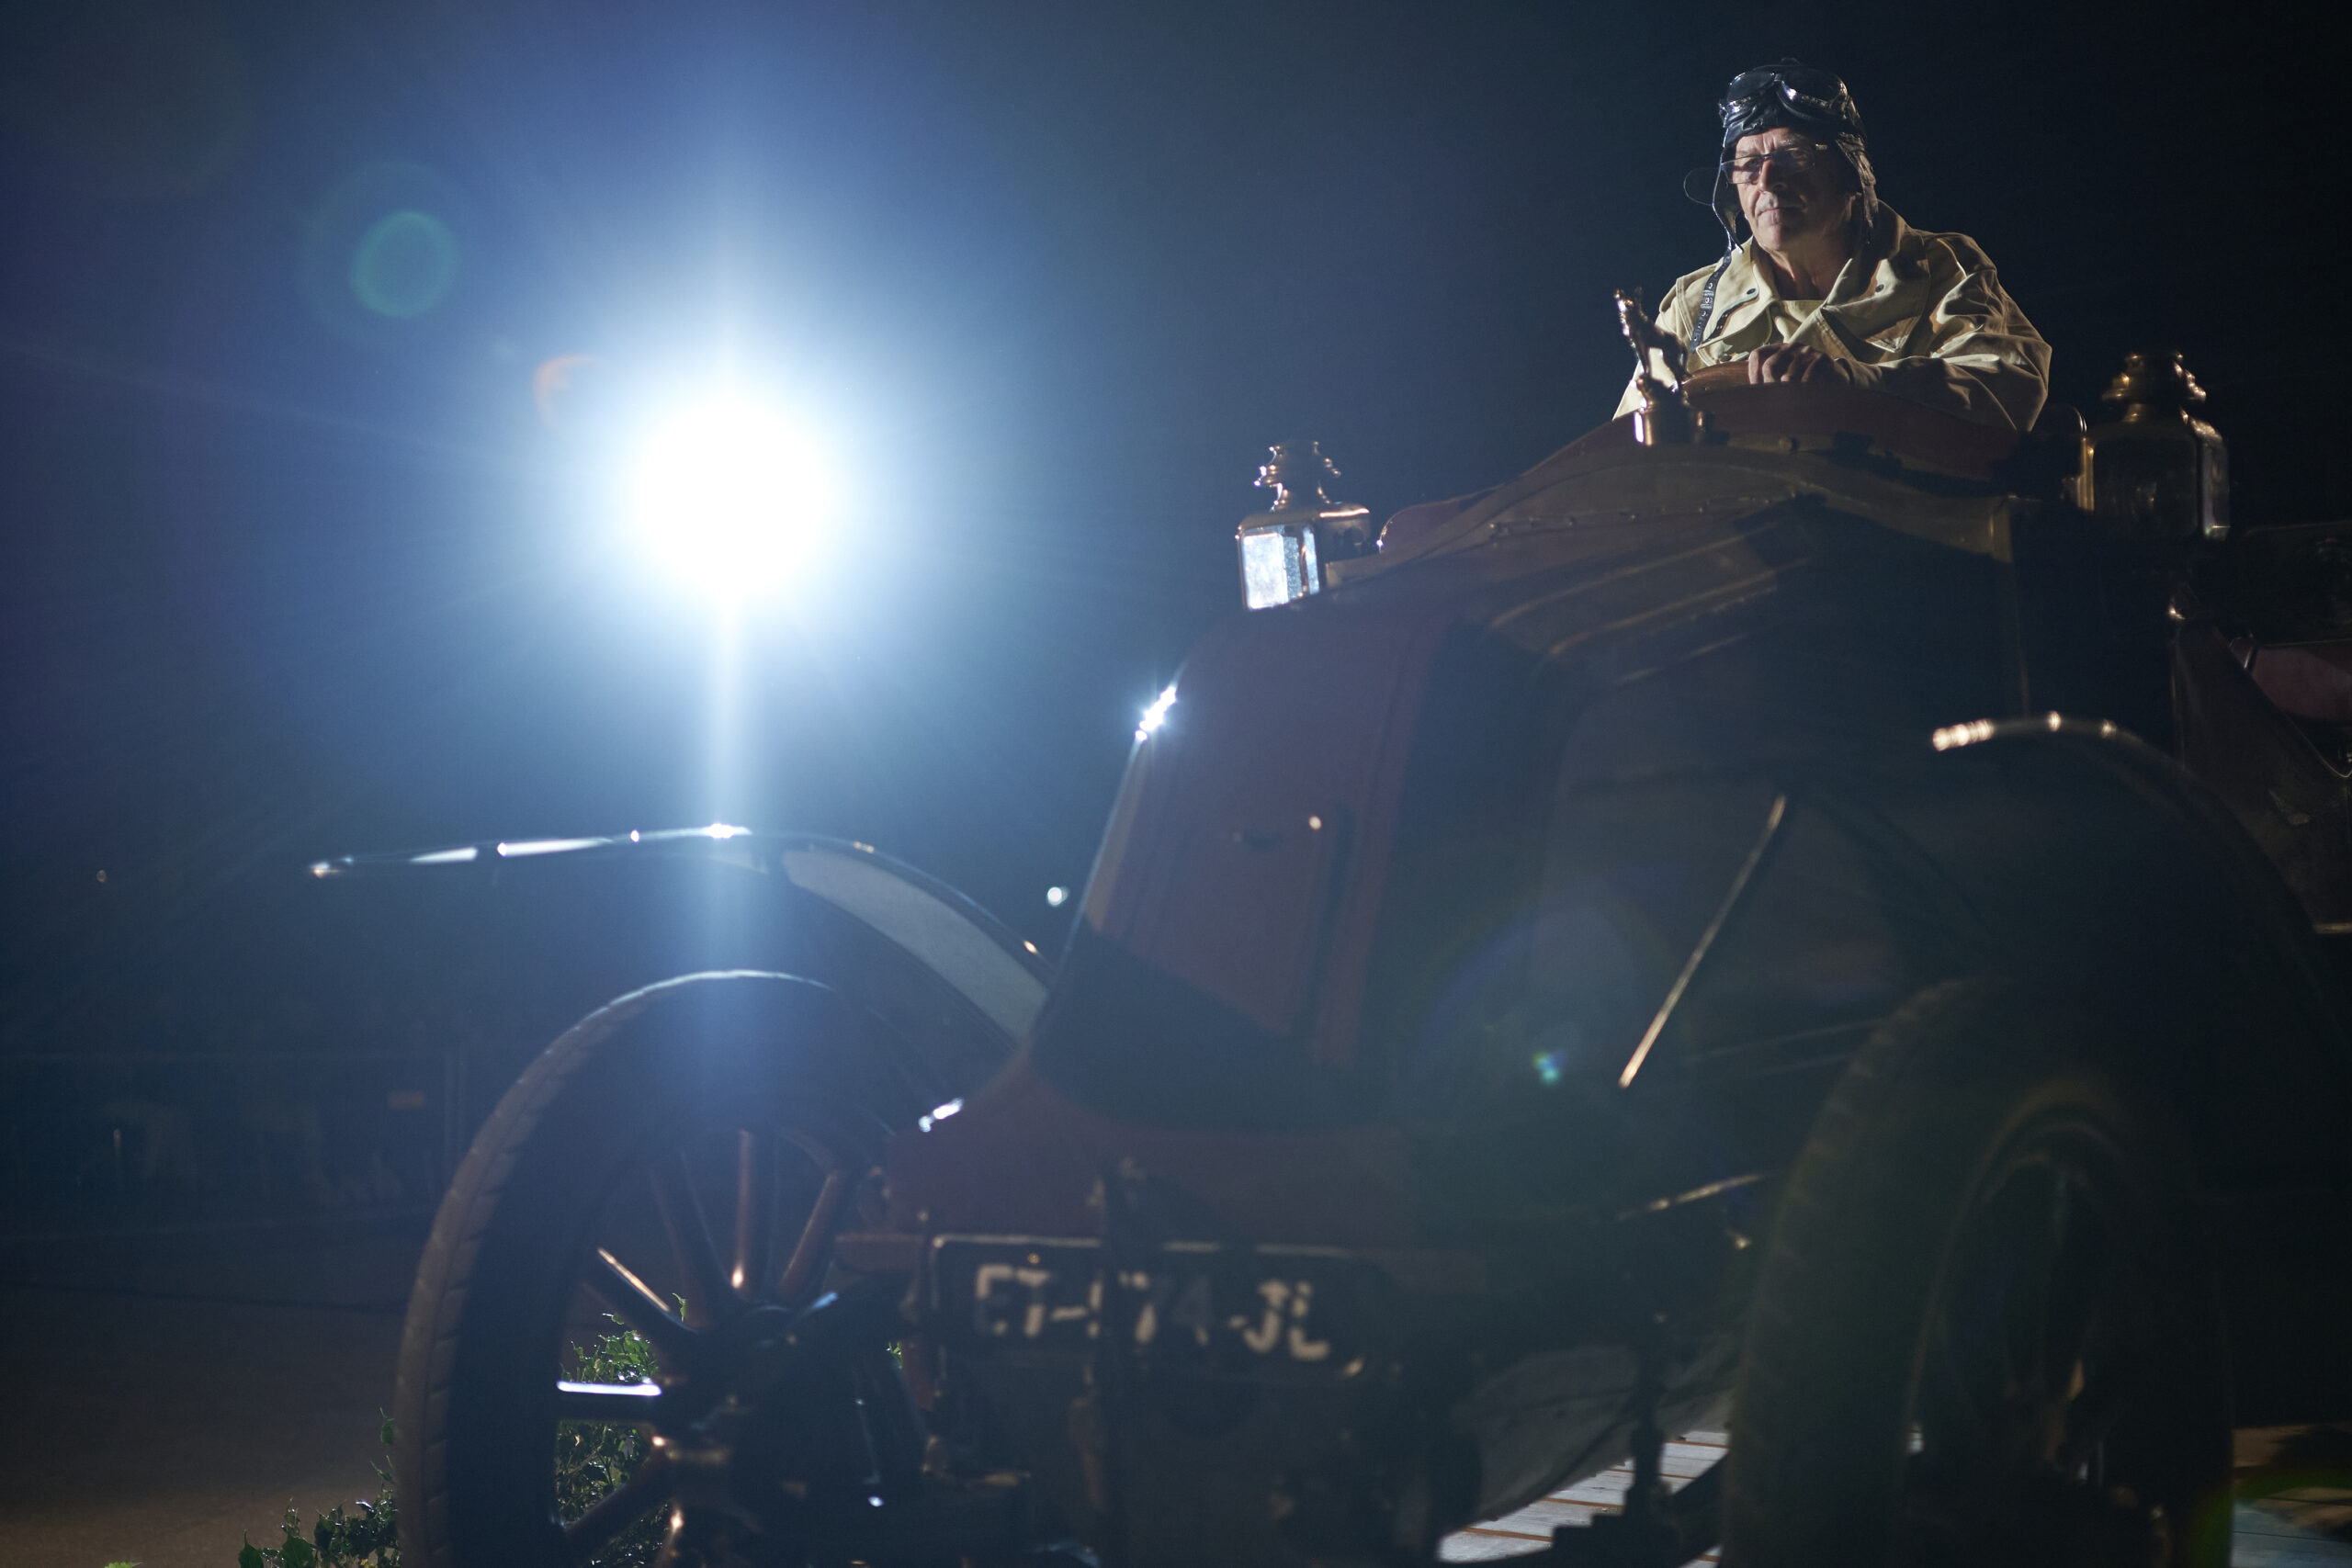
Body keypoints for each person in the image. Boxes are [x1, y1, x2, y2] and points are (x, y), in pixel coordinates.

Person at [1617, 62, 2050, 430]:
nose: (1767, 182)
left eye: (1792, 156)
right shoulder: (1694, 311)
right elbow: (1628, 450)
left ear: (1850, 174)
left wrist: (1855, 385)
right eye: (1749, 165)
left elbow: (2006, 387)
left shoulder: (1940, 270)